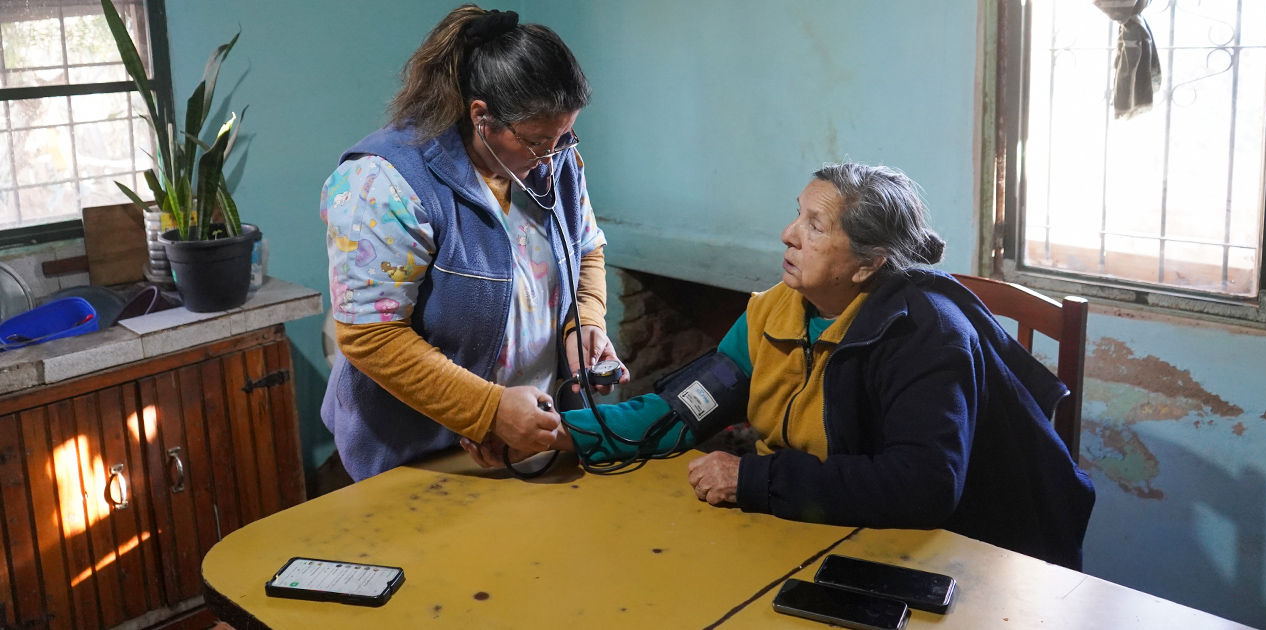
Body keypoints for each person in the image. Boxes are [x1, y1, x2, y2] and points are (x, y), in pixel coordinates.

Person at [467, 160, 1095, 569]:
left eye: (814, 225)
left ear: (870, 262)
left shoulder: (927, 338)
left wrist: (753, 482)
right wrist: (554, 435)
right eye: (798, 212)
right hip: (844, 534)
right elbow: (683, 410)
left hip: (977, 555)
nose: (788, 234)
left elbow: (924, 486)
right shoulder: (777, 312)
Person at [321, 5, 625, 481]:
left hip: (526, 438)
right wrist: (490, 411)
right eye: (539, 141)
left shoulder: (556, 158)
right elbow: (371, 337)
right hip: (420, 456)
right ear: (481, 116)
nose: (553, 156)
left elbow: (587, 247)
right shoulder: (384, 182)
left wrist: (582, 323)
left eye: (565, 136)